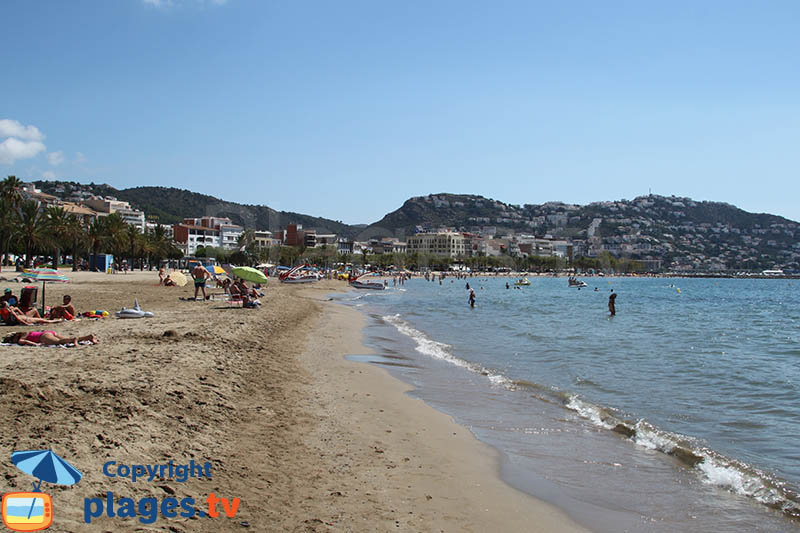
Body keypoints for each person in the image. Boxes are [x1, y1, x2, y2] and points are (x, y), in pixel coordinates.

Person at [3, 330, 98, 346]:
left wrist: (36, 344)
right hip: (48, 332)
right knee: (66, 339)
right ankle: (88, 337)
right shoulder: (26, 333)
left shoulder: (21, 338)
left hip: (43, 336)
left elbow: (25, 342)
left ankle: (74, 340)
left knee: (59, 342)